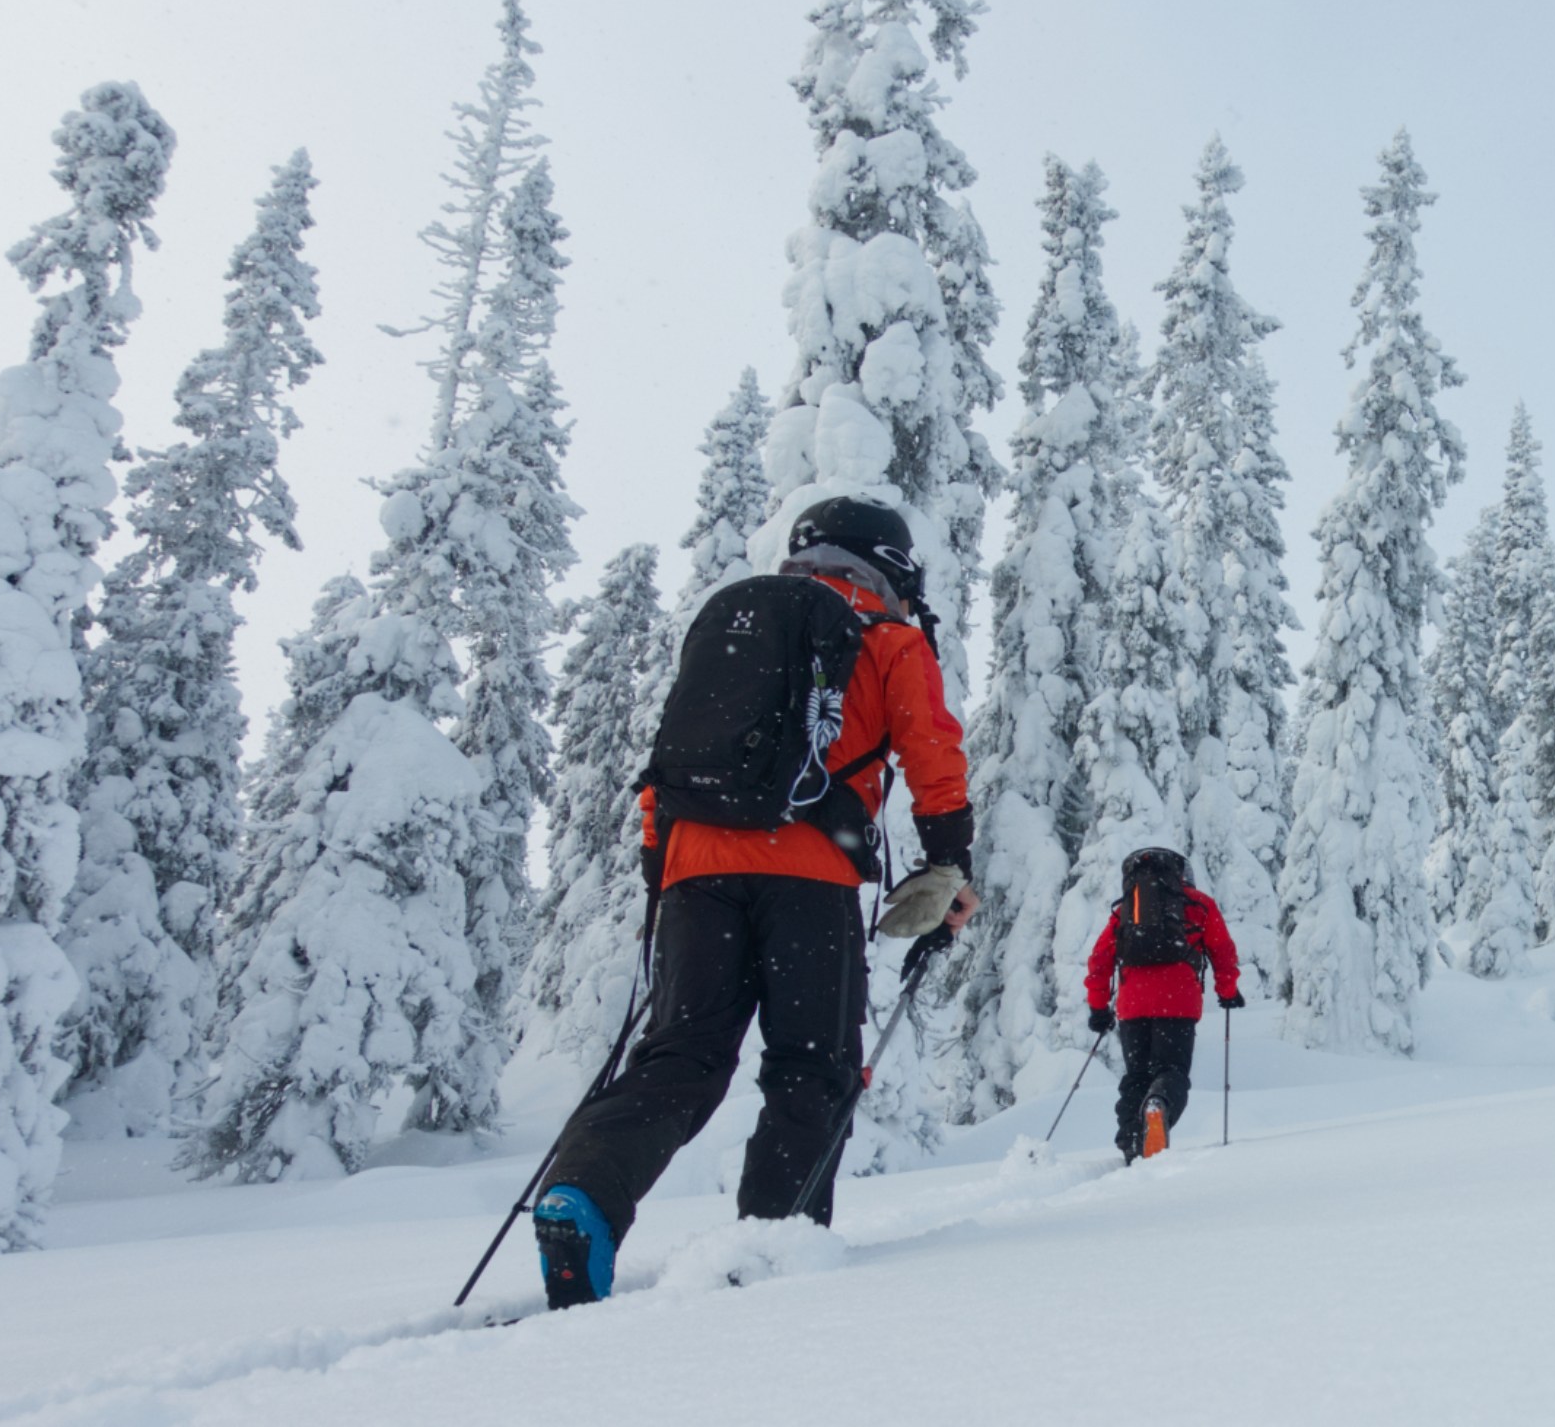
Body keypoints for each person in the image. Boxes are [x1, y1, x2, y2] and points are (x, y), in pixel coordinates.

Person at [532, 495, 978, 1309]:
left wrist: (662, 870)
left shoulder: (735, 622)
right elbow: (931, 753)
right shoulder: (888, 639)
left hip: (692, 872)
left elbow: (673, 756)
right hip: (810, 878)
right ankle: (771, 1256)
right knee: (813, 1067)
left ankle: (584, 1194)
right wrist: (951, 865)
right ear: (890, 568)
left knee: (680, 1056)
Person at [1084, 847, 1243, 1163]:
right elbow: (1223, 952)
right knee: (1171, 1070)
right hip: (1178, 1004)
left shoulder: (1126, 910)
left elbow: (1099, 960)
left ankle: (1132, 1145)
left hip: (1133, 1007)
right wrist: (1228, 991)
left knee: (1136, 1076)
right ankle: (1159, 1105)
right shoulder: (1199, 905)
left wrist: (1098, 1008)